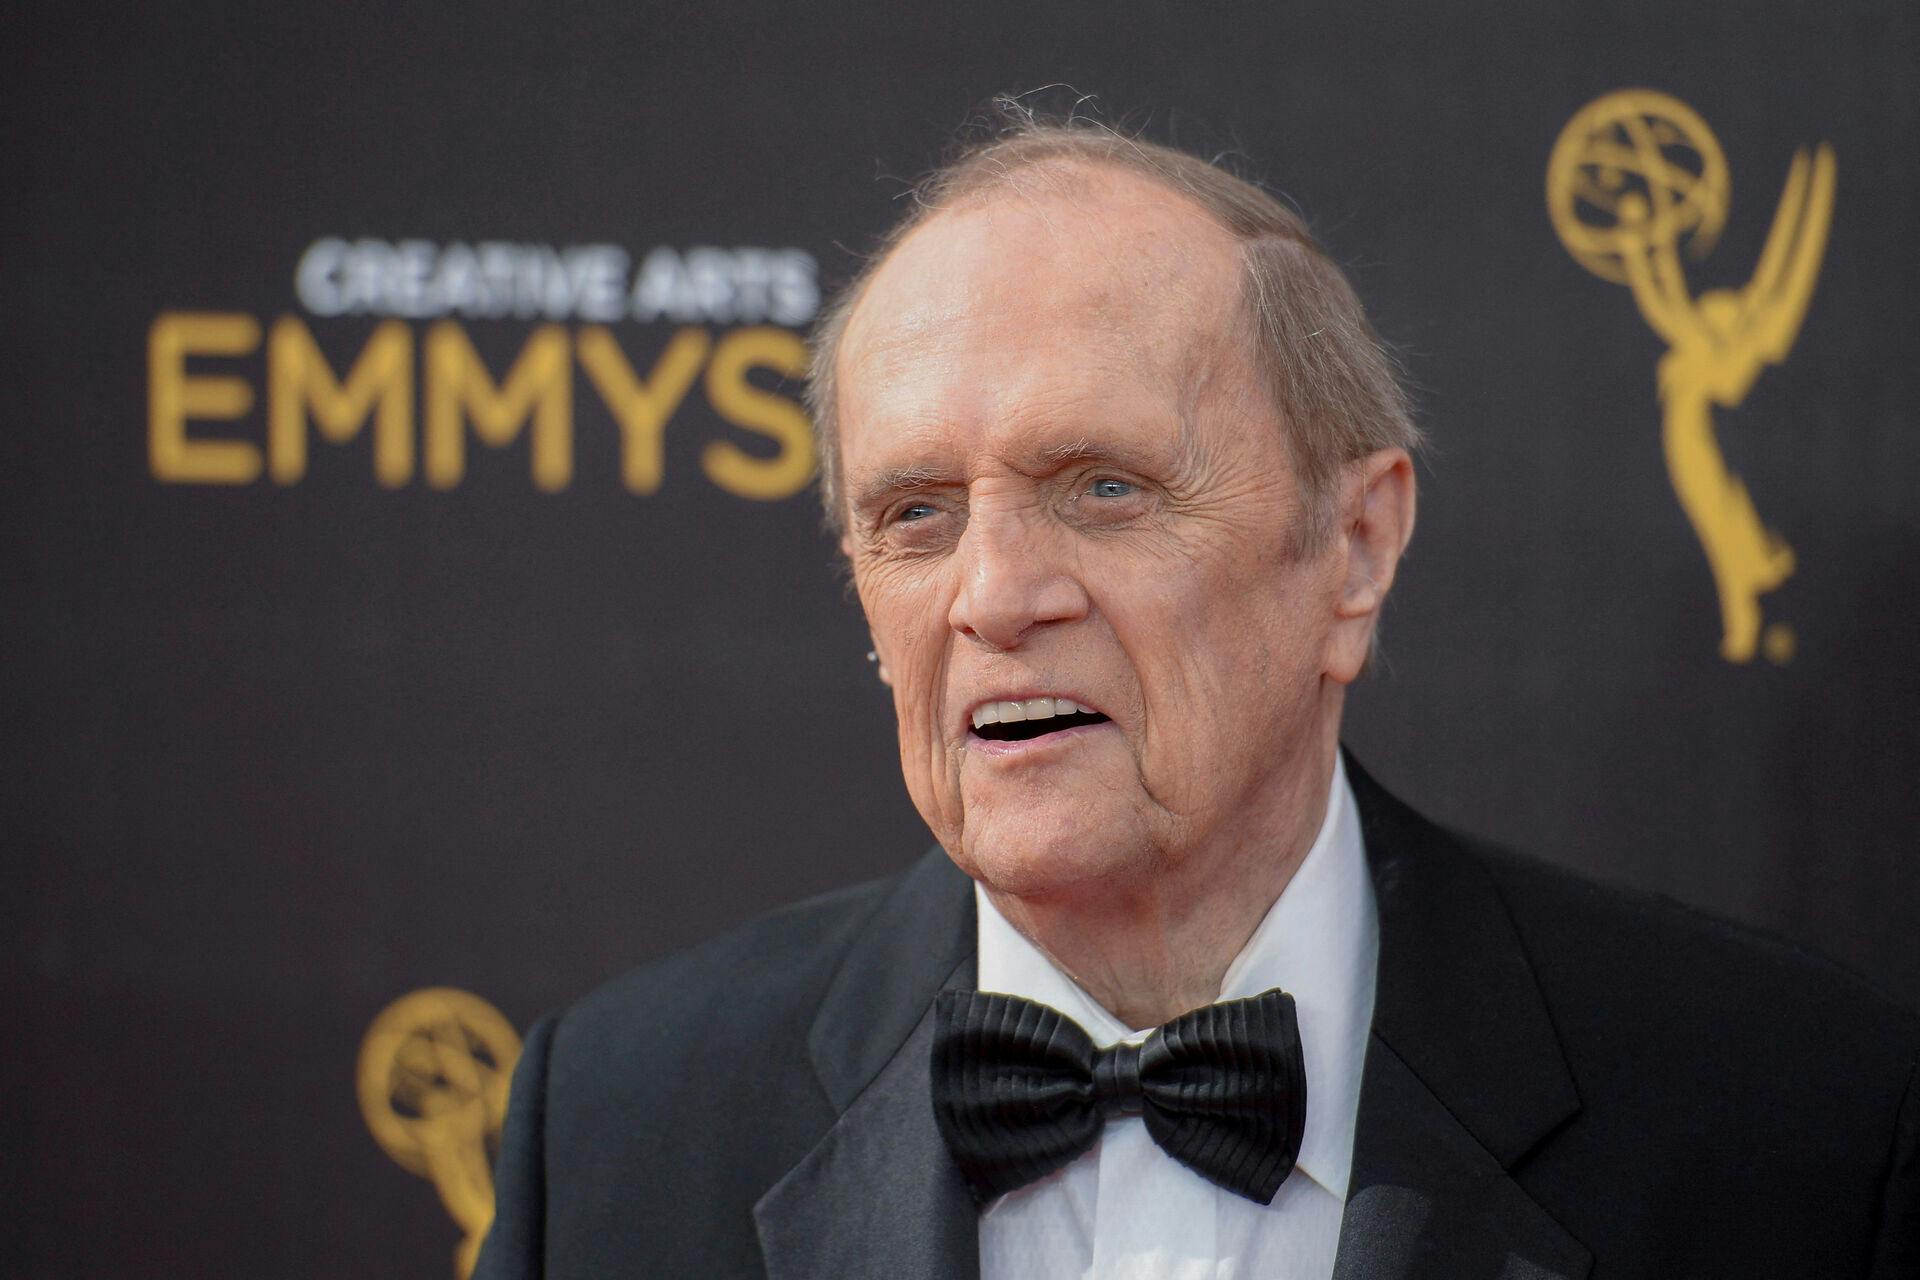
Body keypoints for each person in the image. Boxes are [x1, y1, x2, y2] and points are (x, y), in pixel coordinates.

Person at [474, 113, 1917, 1279]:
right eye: (915, 515)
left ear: (1353, 549)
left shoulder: (1792, 1118)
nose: (992, 596)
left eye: (1104, 488)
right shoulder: (618, 1126)